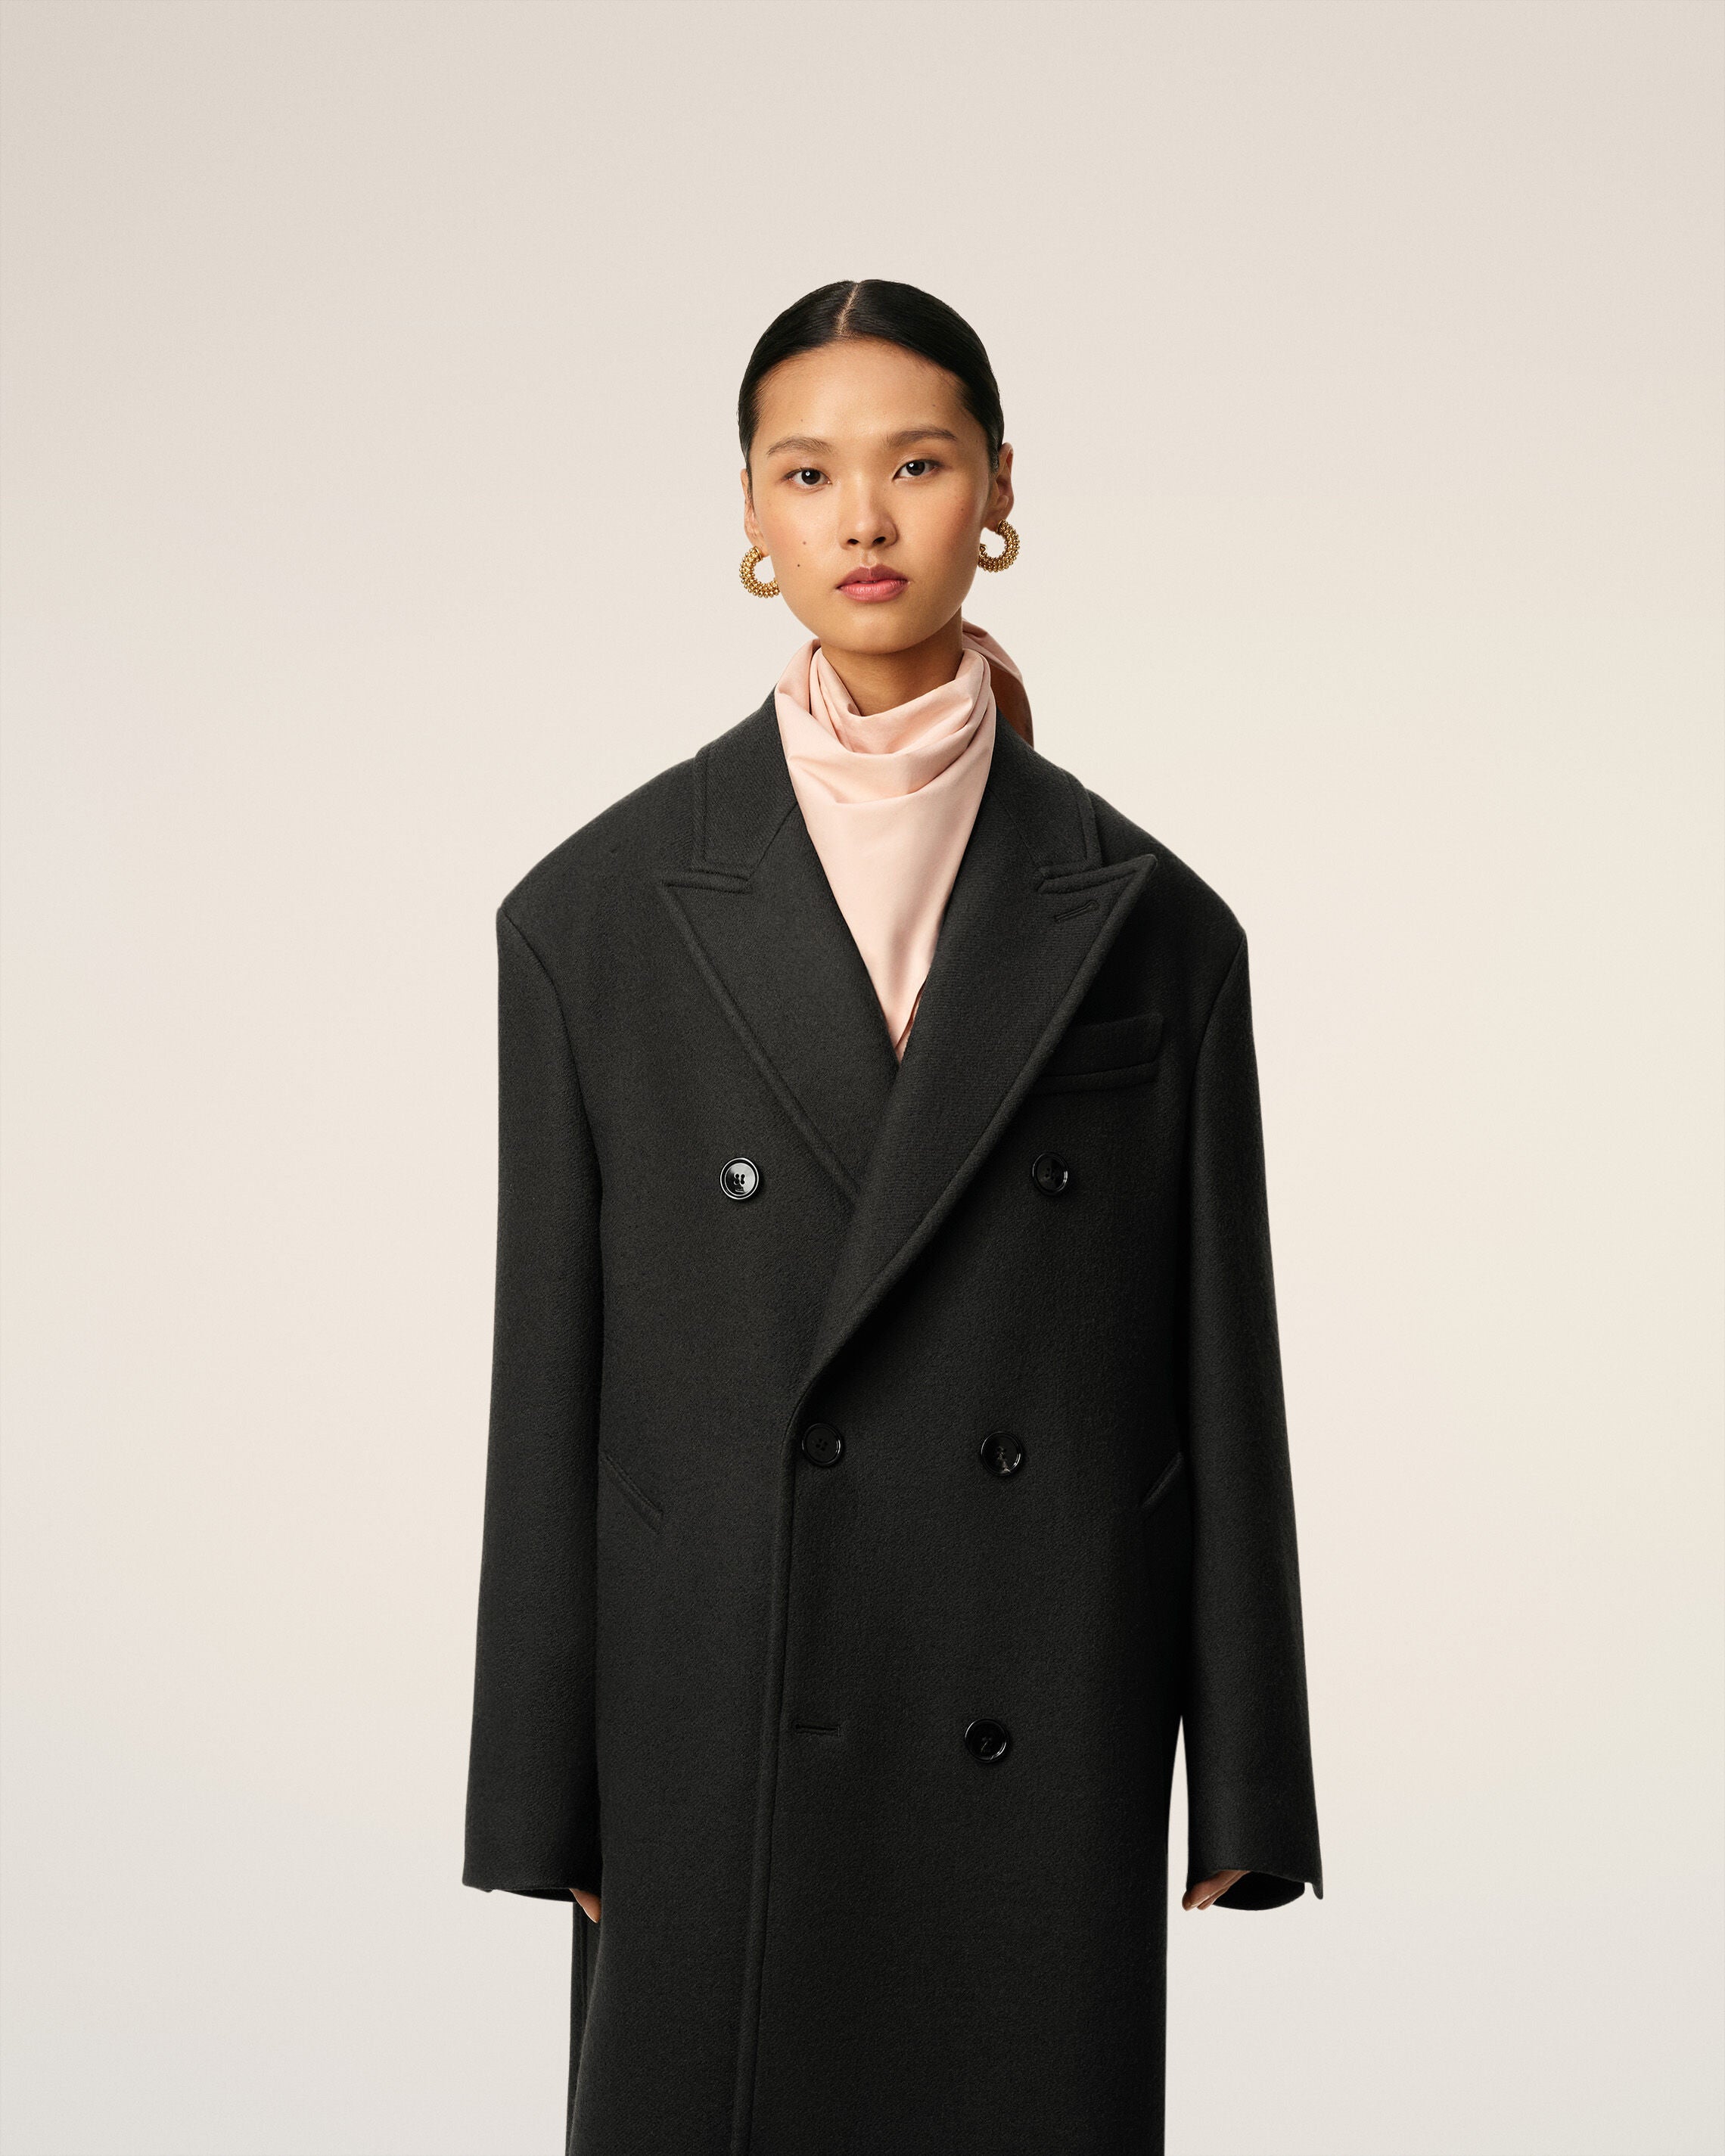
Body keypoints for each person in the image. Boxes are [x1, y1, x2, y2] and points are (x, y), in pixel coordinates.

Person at [464, 278, 1322, 2156]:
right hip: (722, 1702)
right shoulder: (595, 916)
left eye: (917, 465)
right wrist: (540, 1792)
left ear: (998, 490)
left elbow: (1221, 1369)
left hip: (1034, 1696)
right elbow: (552, 1384)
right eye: (807, 473)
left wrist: (1249, 1776)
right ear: (749, 517)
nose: (863, 518)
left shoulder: (1156, 924)